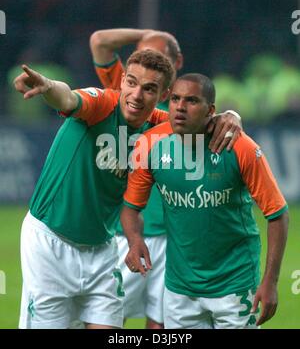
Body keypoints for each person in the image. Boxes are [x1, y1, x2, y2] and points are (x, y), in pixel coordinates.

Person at [14, 50, 239, 329]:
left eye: (149, 89)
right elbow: (68, 97)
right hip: (50, 242)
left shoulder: (160, 125)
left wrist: (232, 115)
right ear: (122, 81)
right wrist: (48, 86)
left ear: (164, 95)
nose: (136, 94)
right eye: (131, 83)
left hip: (102, 249)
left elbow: (204, 121)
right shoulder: (101, 104)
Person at [90, 28, 242, 328]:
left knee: (162, 324)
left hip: (175, 239)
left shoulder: (188, 108)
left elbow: (221, 122)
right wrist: (146, 32)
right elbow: (99, 42)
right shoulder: (132, 97)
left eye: (159, 57)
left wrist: (233, 115)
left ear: (177, 62)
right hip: (126, 233)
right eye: (142, 56)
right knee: (104, 317)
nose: (150, 62)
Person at [120, 73, 289, 329]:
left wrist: (271, 282)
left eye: (191, 101)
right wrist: (134, 240)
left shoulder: (240, 147)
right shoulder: (150, 145)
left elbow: (277, 213)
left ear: (210, 110)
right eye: (175, 99)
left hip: (235, 285)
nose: (180, 107)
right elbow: (131, 208)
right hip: (180, 289)